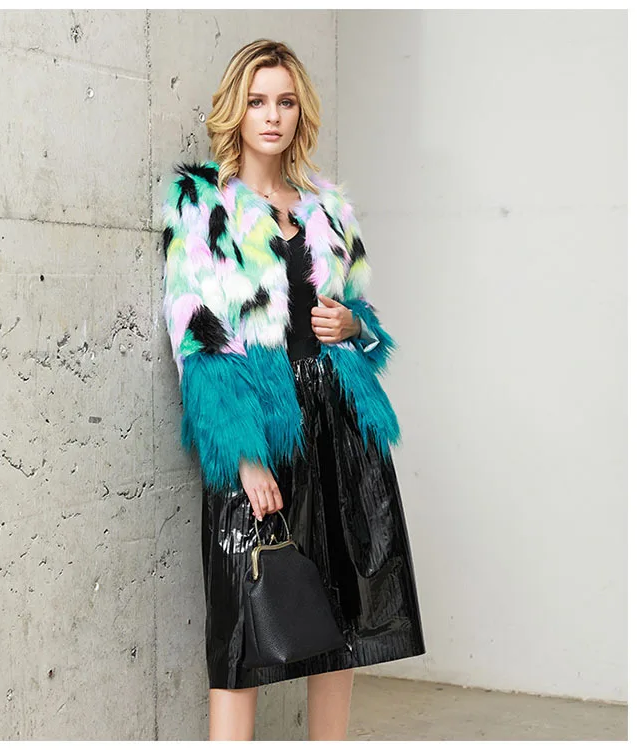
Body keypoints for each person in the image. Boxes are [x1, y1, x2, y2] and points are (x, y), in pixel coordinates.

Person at [161, 38, 425, 741]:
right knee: (240, 632)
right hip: (259, 422)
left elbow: (360, 320)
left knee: (343, 621)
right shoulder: (203, 207)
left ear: (300, 112)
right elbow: (197, 338)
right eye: (256, 101)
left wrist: (353, 325)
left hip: (340, 424)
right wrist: (245, 457)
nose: (271, 116)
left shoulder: (328, 209)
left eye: (284, 102)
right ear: (235, 111)